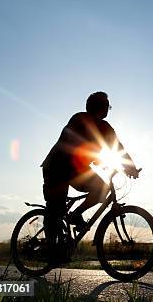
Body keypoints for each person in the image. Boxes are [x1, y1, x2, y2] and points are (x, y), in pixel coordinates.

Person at [41, 91, 140, 260]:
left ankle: (75, 215)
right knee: (56, 211)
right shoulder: (80, 119)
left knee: (102, 188)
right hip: (57, 167)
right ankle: (50, 249)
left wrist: (130, 167)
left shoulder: (104, 127)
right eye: (107, 106)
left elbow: (117, 147)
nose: (108, 110)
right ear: (101, 108)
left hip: (74, 170)